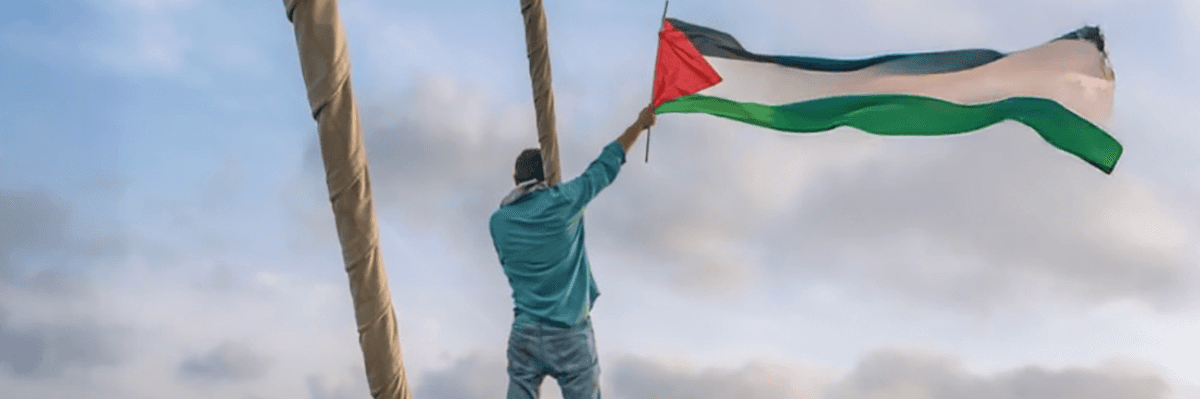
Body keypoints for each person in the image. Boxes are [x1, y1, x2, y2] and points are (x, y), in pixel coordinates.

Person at [489, 105, 657, 399]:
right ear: (548, 175)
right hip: (569, 332)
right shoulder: (565, 201)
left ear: (516, 179)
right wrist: (639, 124)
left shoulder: (498, 222)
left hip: (525, 332)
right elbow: (606, 164)